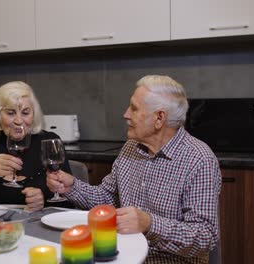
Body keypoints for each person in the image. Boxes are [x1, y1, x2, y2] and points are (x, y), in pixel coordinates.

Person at [47, 75, 222, 263]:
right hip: (124, 256)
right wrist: (71, 187)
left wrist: (149, 224)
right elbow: (107, 198)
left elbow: (205, 236)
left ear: (159, 118)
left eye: (134, 108)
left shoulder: (199, 159)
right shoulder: (131, 148)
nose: (126, 114)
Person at [0, 81, 73, 211]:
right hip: (1, 226)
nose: (18, 121)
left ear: (34, 114)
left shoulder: (49, 141)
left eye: (25, 113)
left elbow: (69, 199)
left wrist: (44, 197)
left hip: (42, 223)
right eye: (10, 113)